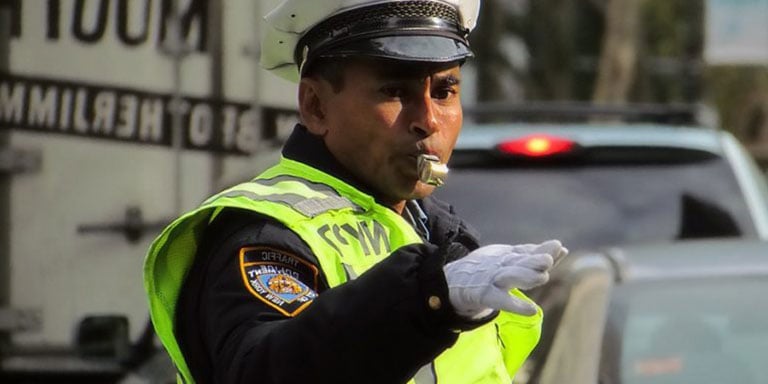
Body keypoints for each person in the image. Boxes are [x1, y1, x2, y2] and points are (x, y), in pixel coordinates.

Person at [143, 0, 568, 383]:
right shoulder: (270, 233)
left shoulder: (435, 229)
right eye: (394, 92)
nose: (429, 121)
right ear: (315, 107)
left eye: (444, 91)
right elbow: (265, 371)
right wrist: (424, 298)